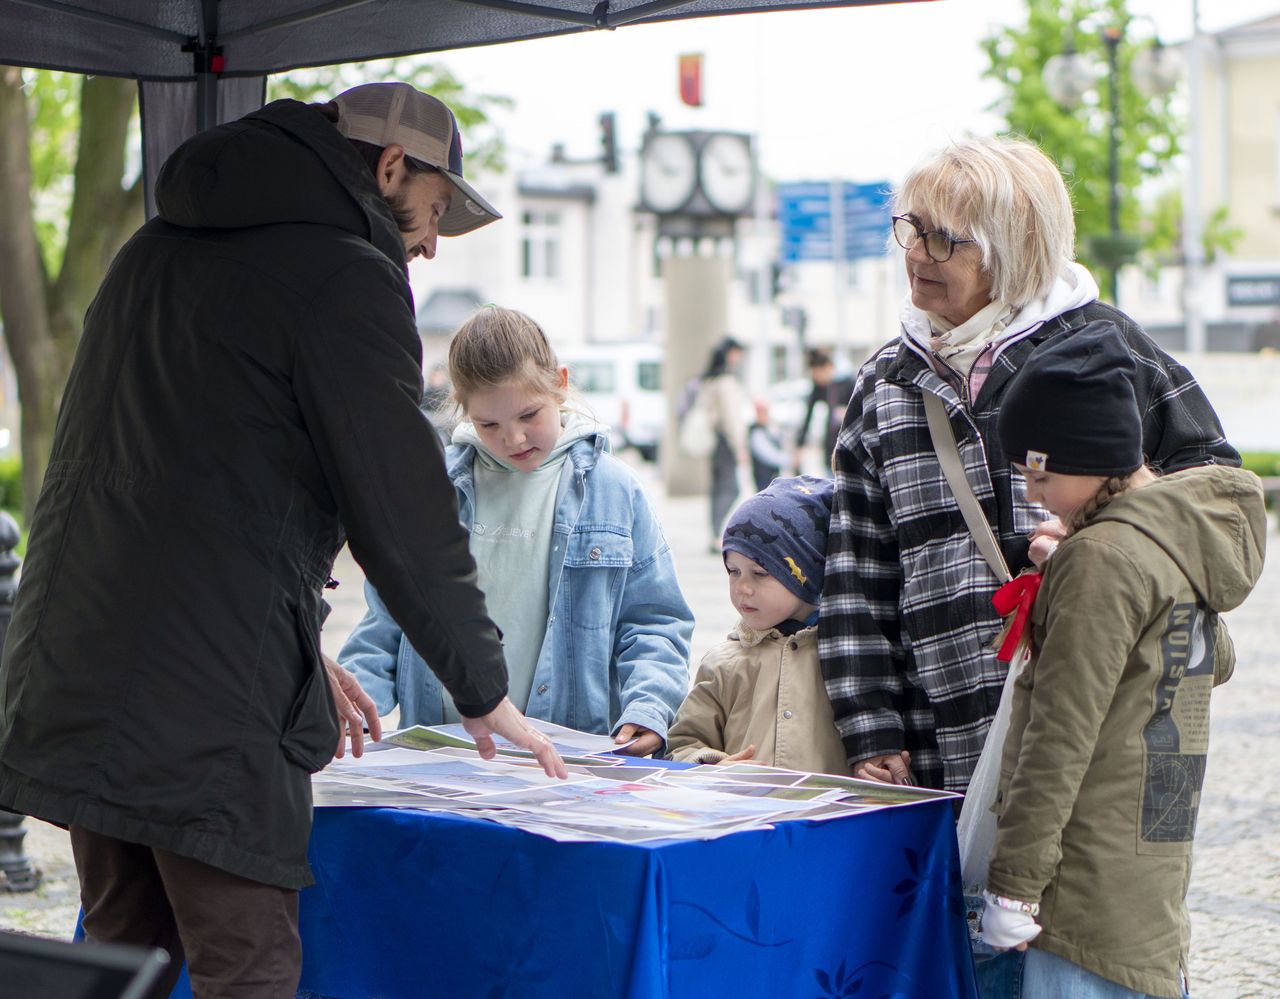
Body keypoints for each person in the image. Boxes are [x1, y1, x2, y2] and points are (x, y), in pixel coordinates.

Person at [0, 82, 566, 999]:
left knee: (122, 957)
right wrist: (482, 685)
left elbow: (177, 495)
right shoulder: (345, 276)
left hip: (77, 662)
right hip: (204, 706)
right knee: (249, 967)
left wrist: (294, 646)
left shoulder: (151, 250)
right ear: (391, 167)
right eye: (434, 213)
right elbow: (402, 506)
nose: (430, 244)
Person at [818, 136, 1240, 796]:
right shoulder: (884, 382)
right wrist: (871, 727)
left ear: (1013, 248)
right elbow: (856, 570)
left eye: (944, 239)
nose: (917, 254)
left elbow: (1218, 498)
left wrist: (1107, 539)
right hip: (940, 742)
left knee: (1085, 865)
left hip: (1098, 720)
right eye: (911, 228)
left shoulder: (1104, 351)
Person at [977, 327, 1265, 998]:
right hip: (1150, 855)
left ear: (1091, 457)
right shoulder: (1172, 538)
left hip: (1082, 880)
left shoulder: (1102, 560)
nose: (1032, 493)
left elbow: (1059, 736)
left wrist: (1013, 886)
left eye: (1040, 473)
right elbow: (1212, 656)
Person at [341, 306, 693, 757]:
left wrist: (648, 706)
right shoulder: (432, 489)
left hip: (568, 756)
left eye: (529, 415)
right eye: (489, 424)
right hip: (445, 753)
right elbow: (388, 618)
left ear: (560, 384)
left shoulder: (615, 490)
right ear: (463, 408)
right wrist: (350, 705)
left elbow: (655, 622)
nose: (514, 439)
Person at [667, 476, 851, 775]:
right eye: (733, 571)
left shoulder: (847, 656)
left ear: (807, 574)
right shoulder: (724, 664)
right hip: (744, 804)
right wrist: (709, 764)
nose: (742, 587)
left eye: (760, 573)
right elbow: (682, 744)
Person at [699, 336, 749, 552]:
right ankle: (716, 534)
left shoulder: (710, 380)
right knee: (730, 488)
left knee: (718, 488)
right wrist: (740, 446)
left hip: (715, 441)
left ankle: (714, 533)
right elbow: (731, 418)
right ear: (730, 354)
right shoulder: (726, 382)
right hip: (725, 441)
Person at [794, 347, 855, 474]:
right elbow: (808, 415)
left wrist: (848, 412)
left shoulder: (849, 382)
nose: (816, 378)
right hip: (830, 448)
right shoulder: (820, 387)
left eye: (817, 374)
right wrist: (800, 445)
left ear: (828, 367)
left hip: (850, 447)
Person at [747, 400, 788, 492]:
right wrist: (788, 460)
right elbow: (768, 454)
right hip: (763, 478)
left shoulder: (769, 428)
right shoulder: (756, 431)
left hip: (771, 476)